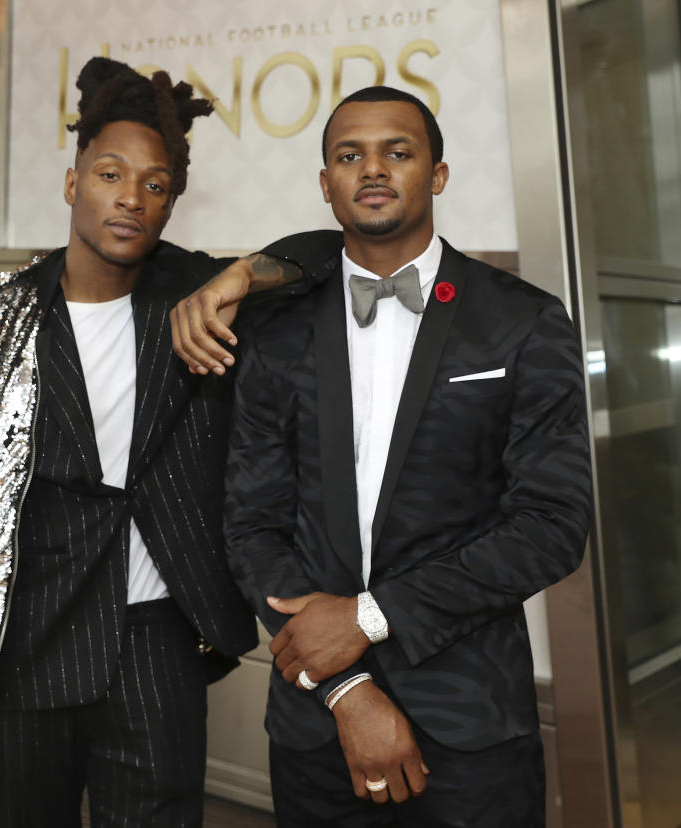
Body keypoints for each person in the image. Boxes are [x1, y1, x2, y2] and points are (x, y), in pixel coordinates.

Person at [0, 57, 317, 827]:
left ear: (171, 204)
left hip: (157, 646)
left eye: (155, 184)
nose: (130, 197)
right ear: (74, 183)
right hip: (24, 644)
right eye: (110, 174)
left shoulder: (198, 298)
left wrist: (238, 275)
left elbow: (325, 259)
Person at [178, 86, 592, 826]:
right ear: (325, 184)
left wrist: (368, 618)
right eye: (349, 155)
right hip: (316, 722)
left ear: (436, 172)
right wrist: (347, 688)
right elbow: (252, 524)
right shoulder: (273, 331)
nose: (372, 169)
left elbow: (552, 526)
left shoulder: (523, 320)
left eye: (397, 152)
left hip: (472, 720)